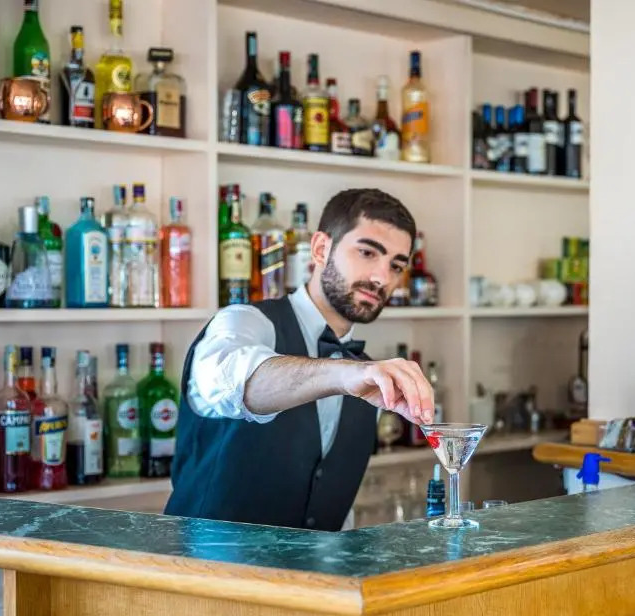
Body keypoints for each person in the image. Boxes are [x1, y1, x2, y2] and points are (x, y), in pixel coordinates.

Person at [165, 188, 435, 530]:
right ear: (320, 249)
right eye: (367, 252)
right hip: (201, 562)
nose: (382, 278)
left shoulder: (365, 374)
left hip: (314, 566)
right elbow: (230, 381)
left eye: (396, 266)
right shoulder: (245, 321)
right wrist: (343, 375)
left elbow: (330, 501)